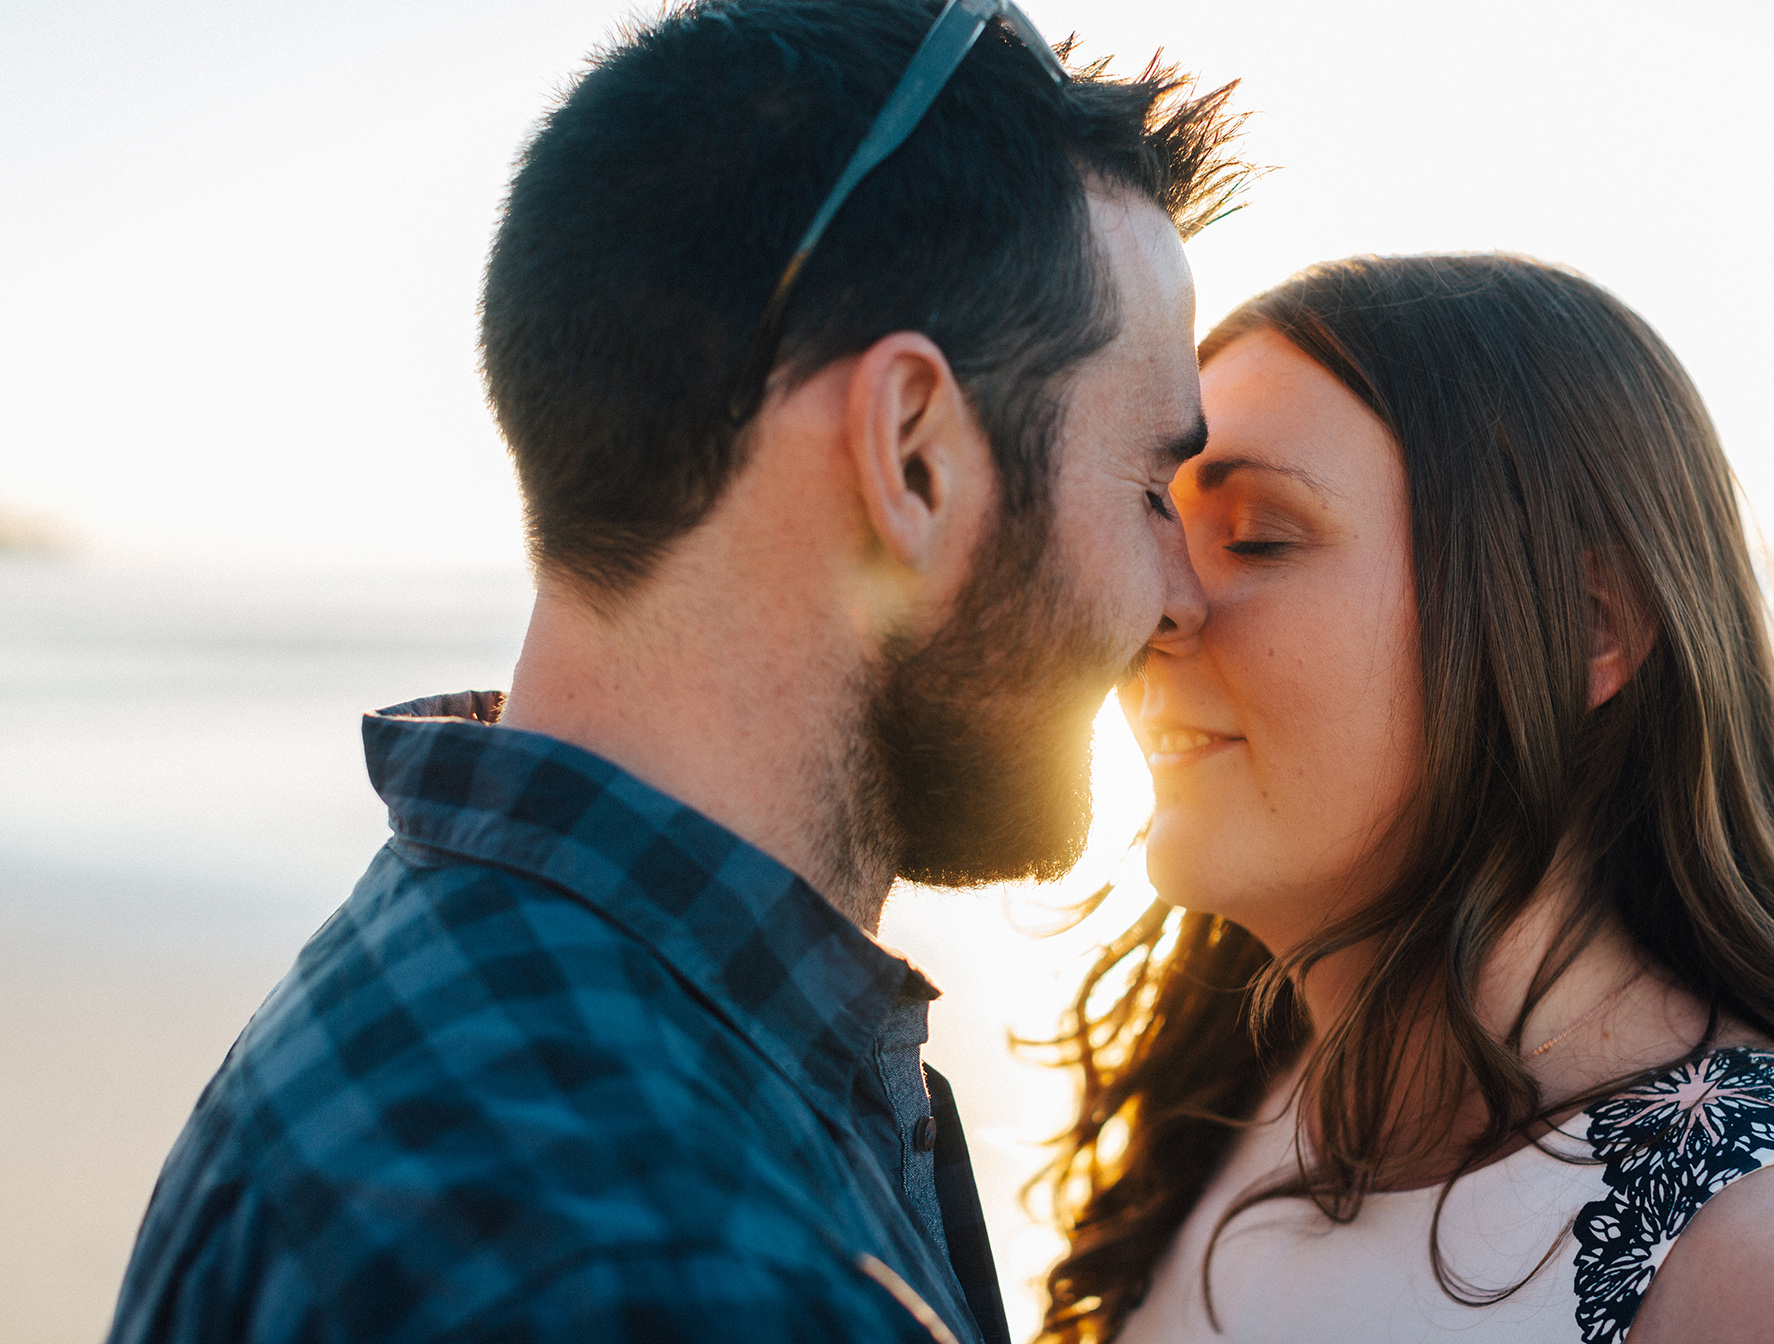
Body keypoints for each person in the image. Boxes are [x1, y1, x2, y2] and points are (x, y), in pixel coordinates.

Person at [107, 2, 1248, 1340]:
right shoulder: (671, 1273)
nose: (1181, 601)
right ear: (917, 458)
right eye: (1150, 488)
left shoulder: (455, 965)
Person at [1036, 254, 1774, 1343]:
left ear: (1588, 628)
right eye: (1154, 526)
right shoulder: (1232, 1090)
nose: (1156, 602)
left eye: (1259, 535)